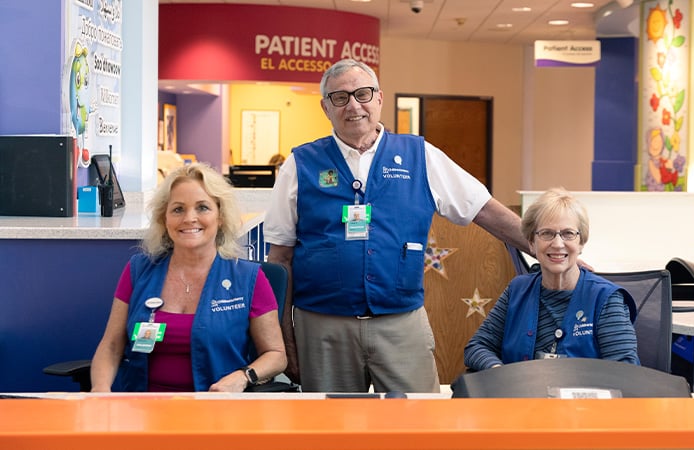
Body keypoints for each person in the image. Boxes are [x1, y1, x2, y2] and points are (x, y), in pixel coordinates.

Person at [264, 58, 532, 393]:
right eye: (340, 97)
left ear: (378, 98)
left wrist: (544, 247)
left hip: (401, 322)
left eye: (363, 94)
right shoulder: (299, 164)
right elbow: (280, 259)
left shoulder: (420, 155)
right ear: (325, 107)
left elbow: (485, 211)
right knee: (332, 430)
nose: (353, 106)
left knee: (418, 424)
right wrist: (285, 340)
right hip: (323, 328)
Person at [90, 163, 286, 392]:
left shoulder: (249, 279)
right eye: (178, 209)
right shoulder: (139, 270)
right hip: (142, 410)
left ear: (220, 217)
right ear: (165, 219)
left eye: (203, 208)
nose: (189, 218)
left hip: (215, 412)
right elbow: (112, 345)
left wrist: (243, 377)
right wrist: (100, 392)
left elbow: (276, 355)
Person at [463, 187, 640, 371]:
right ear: (531, 242)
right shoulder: (517, 290)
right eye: (547, 233)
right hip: (521, 396)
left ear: (581, 243)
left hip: (583, 398)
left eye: (568, 234)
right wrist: (499, 372)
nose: (557, 244)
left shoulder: (606, 299)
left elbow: (625, 370)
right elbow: (477, 347)